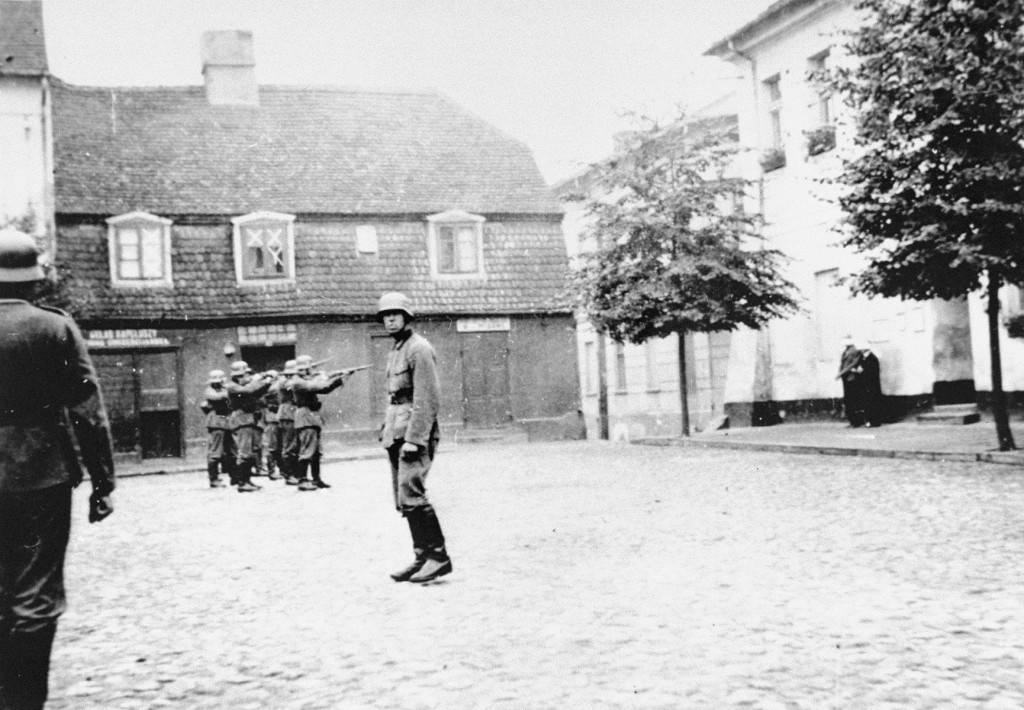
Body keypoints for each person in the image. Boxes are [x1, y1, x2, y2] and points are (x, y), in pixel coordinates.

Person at [0, 229, 115, 710]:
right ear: (34, 280)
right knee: (35, 595)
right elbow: (88, 411)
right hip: (40, 473)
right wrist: (102, 482)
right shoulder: (55, 327)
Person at [377, 292, 452, 584]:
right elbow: (395, 397)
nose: (390, 319)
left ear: (407, 316)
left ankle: (438, 557)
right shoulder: (397, 350)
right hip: (396, 431)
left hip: (413, 434)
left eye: (395, 314)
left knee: (412, 492)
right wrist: (387, 429)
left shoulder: (419, 349)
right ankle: (422, 556)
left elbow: (427, 397)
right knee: (403, 498)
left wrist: (415, 438)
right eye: (386, 315)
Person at [291, 355, 348, 491]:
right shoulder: (298, 382)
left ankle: (316, 479)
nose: (312, 370)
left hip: (312, 417)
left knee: (316, 452)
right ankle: (302, 480)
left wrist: (339, 379)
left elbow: (325, 389)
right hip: (306, 418)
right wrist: (338, 379)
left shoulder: (304, 380)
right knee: (307, 451)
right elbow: (322, 387)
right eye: (310, 368)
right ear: (303, 369)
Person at [224, 361, 273, 492]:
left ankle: (247, 480)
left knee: (251, 451)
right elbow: (250, 390)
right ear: (238, 376)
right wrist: (264, 380)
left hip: (249, 420)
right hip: (241, 421)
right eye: (246, 375)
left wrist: (267, 382)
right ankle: (241, 482)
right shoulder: (232, 386)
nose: (249, 377)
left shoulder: (244, 385)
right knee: (244, 452)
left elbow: (257, 392)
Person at [200, 369, 234, 488]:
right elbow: (218, 397)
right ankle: (213, 479)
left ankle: (234, 476)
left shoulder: (224, 390)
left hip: (227, 422)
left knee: (231, 451)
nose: (217, 383)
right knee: (215, 452)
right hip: (216, 423)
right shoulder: (209, 391)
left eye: (219, 381)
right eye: (216, 381)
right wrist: (231, 391)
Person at [277, 360, 300, 485]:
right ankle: (289, 474)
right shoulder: (283, 382)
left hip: (292, 415)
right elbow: (294, 385)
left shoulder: (288, 381)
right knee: (289, 446)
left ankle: (294, 473)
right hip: (288, 415)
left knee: (295, 445)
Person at [260, 370, 282, 480]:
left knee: (279, 447)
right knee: (272, 447)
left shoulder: (272, 387)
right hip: (272, 420)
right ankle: (272, 471)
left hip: (277, 419)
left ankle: (282, 470)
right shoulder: (272, 388)